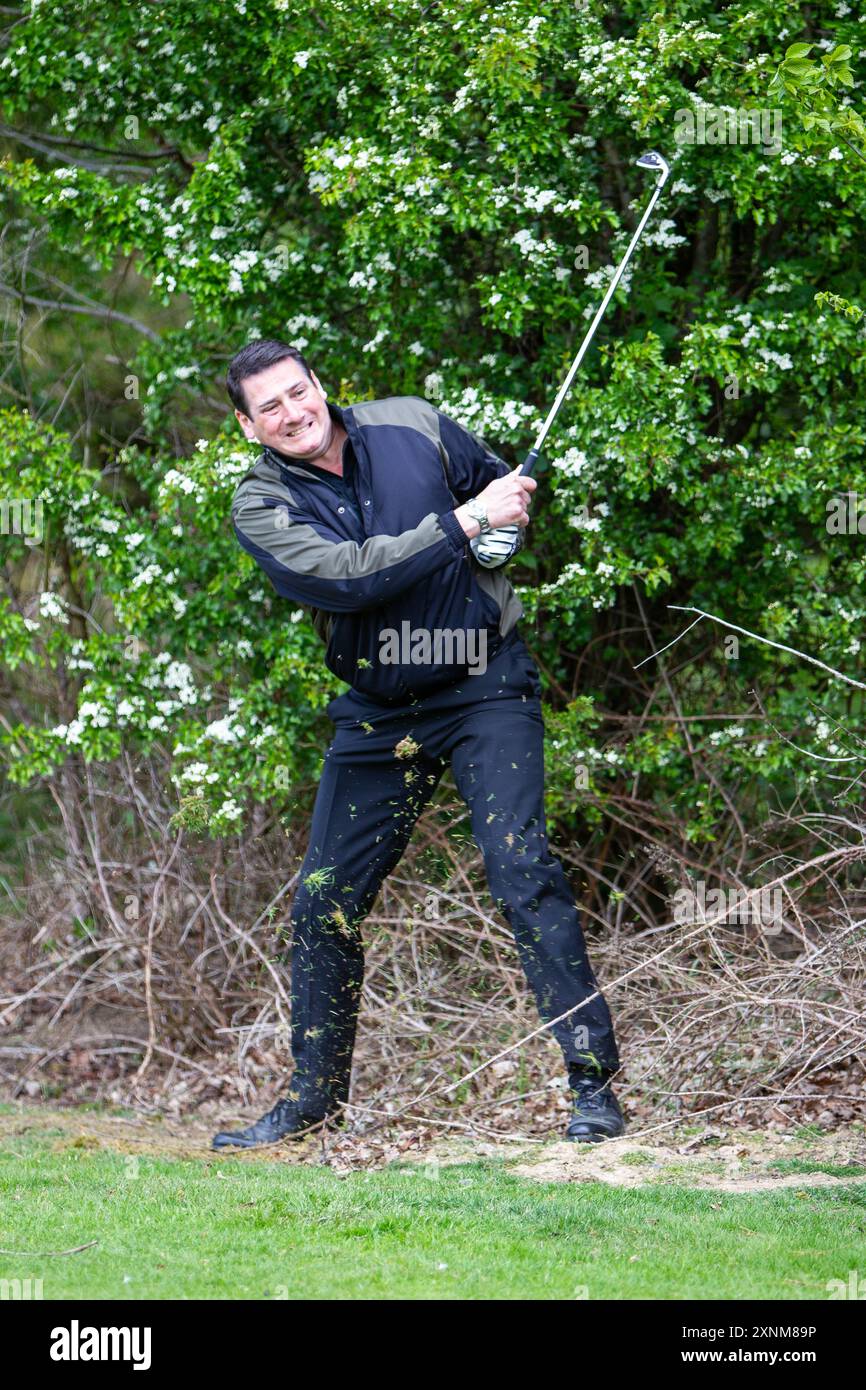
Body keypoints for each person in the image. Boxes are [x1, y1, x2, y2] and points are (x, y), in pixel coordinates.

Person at [211, 338, 624, 1148]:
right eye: (271, 408)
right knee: (324, 902)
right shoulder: (258, 506)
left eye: (299, 392)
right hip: (377, 710)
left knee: (522, 870)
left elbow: (499, 498)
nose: (293, 413)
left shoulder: (415, 423)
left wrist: (501, 528)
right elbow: (351, 576)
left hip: (483, 683)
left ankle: (594, 1088)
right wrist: (466, 522)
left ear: (319, 384)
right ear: (248, 426)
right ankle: (313, 1102)